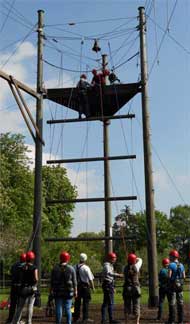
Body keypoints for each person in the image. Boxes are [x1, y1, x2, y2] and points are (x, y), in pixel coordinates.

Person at [51, 251, 77, 324]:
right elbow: (74, 281)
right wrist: (76, 291)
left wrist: (51, 290)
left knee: (58, 308)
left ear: (60, 258)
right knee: (69, 308)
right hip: (68, 291)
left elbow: (52, 281)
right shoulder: (71, 268)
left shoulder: (55, 268)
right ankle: (69, 322)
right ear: (68, 258)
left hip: (58, 291)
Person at [12, 250, 38, 324]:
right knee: (30, 306)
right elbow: (36, 279)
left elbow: (19, 277)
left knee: (20, 307)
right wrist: (35, 285)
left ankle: (16, 321)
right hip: (31, 288)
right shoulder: (34, 267)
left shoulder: (21, 267)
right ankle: (29, 321)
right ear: (33, 258)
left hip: (23, 288)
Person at [101, 252, 123, 324]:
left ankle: (104, 319)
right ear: (110, 259)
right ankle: (110, 319)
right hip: (108, 285)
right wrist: (118, 275)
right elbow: (109, 273)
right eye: (114, 258)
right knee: (110, 303)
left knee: (106, 302)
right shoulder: (107, 266)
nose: (115, 259)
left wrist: (113, 286)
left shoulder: (110, 265)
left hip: (109, 284)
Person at [5, 253, 26, 324]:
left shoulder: (14, 265)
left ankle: (10, 319)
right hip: (20, 287)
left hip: (13, 286)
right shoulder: (25, 266)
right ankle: (18, 320)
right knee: (19, 305)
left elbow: (11, 273)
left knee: (13, 304)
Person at [73, 253, 95, 323]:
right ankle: (85, 318)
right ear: (85, 259)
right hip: (85, 287)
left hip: (77, 287)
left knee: (77, 303)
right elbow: (90, 279)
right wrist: (93, 287)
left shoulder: (74, 267)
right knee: (86, 303)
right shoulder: (86, 267)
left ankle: (75, 318)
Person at [122, 253, 142, 324]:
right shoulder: (137, 266)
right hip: (135, 289)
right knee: (136, 305)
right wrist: (136, 258)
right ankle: (137, 322)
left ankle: (126, 322)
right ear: (134, 261)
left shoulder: (124, 267)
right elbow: (140, 260)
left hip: (127, 288)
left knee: (127, 306)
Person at [166, 249, 185, 324]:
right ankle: (181, 320)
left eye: (170, 256)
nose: (169, 257)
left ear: (173, 256)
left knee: (172, 303)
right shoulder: (181, 265)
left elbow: (169, 276)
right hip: (180, 286)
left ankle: (172, 321)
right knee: (180, 303)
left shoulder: (171, 265)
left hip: (173, 286)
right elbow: (184, 276)